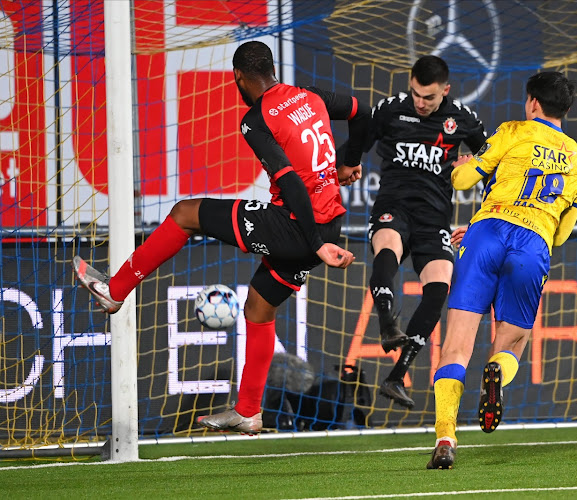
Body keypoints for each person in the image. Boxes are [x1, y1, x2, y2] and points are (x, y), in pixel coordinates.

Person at [73, 40, 369, 435]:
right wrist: (349, 161)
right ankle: (248, 411)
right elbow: (363, 111)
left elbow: (291, 182)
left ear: (239, 78)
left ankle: (116, 289)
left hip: (300, 227)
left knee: (185, 213)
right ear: (273, 69)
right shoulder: (308, 95)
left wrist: (314, 243)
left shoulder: (257, 119)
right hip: (327, 222)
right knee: (259, 308)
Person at [426, 71, 577, 469]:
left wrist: (463, 166)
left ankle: (446, 438)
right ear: (565, 110)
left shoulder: (513, 131)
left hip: (486, 233)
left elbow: (464, 180)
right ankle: (497, 370)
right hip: (534, 243)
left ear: (533, 102)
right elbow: (563, 235)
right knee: (514, 341)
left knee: (456, 346)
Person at [364, 55, 486, 409]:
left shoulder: (462, 120)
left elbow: (492, 167)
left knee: (439, 287)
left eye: (429, 97)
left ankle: (395, 376)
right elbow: (360, 138)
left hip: (434, 218)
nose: (420, 102)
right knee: (387, 247)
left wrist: (474, 166)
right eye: (416, 94)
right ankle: (388, 322)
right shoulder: (390, 109)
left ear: (445, 91)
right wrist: (350, 161)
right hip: (395, 204)